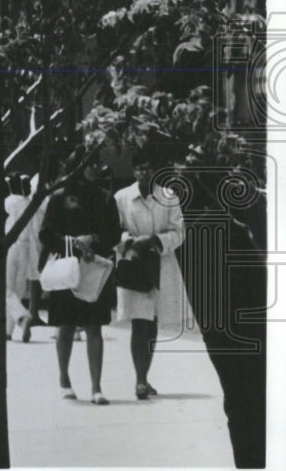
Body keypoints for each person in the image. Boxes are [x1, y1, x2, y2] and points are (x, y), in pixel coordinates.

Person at [39, 151, 121, 405]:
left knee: (94, 326)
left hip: (93, 268)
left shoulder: (105, 198)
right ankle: (64, 379)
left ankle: (96, 386)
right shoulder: (59, 198)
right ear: (77, 167)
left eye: (98, 164)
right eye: (90, 164)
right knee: (65, 325)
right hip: (66, 267)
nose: (96, 168)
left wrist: (94, 239)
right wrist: (72, 242)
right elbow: (46, 234)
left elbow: (114, 233)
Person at [114, 148, 186, 400]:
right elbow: (116, 230)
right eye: (139, 167)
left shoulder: (169, 197)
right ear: (133, 171)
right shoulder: (122, 197)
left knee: (152, 321)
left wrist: (154, 240)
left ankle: (145, 376)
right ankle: (139, 380)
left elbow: (179, 232)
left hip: (160, 264)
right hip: (134, 263)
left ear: (156, 171)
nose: (144, 172)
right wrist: (131, 241)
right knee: (138, 320)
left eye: (148, 167)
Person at [5, 173, 48, 342]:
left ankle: (22, 317)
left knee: (6, 290)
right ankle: (8, 331)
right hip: (24, 249)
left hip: (9, 248)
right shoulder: (29, 204)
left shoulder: (6, 203)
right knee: (17, 291)